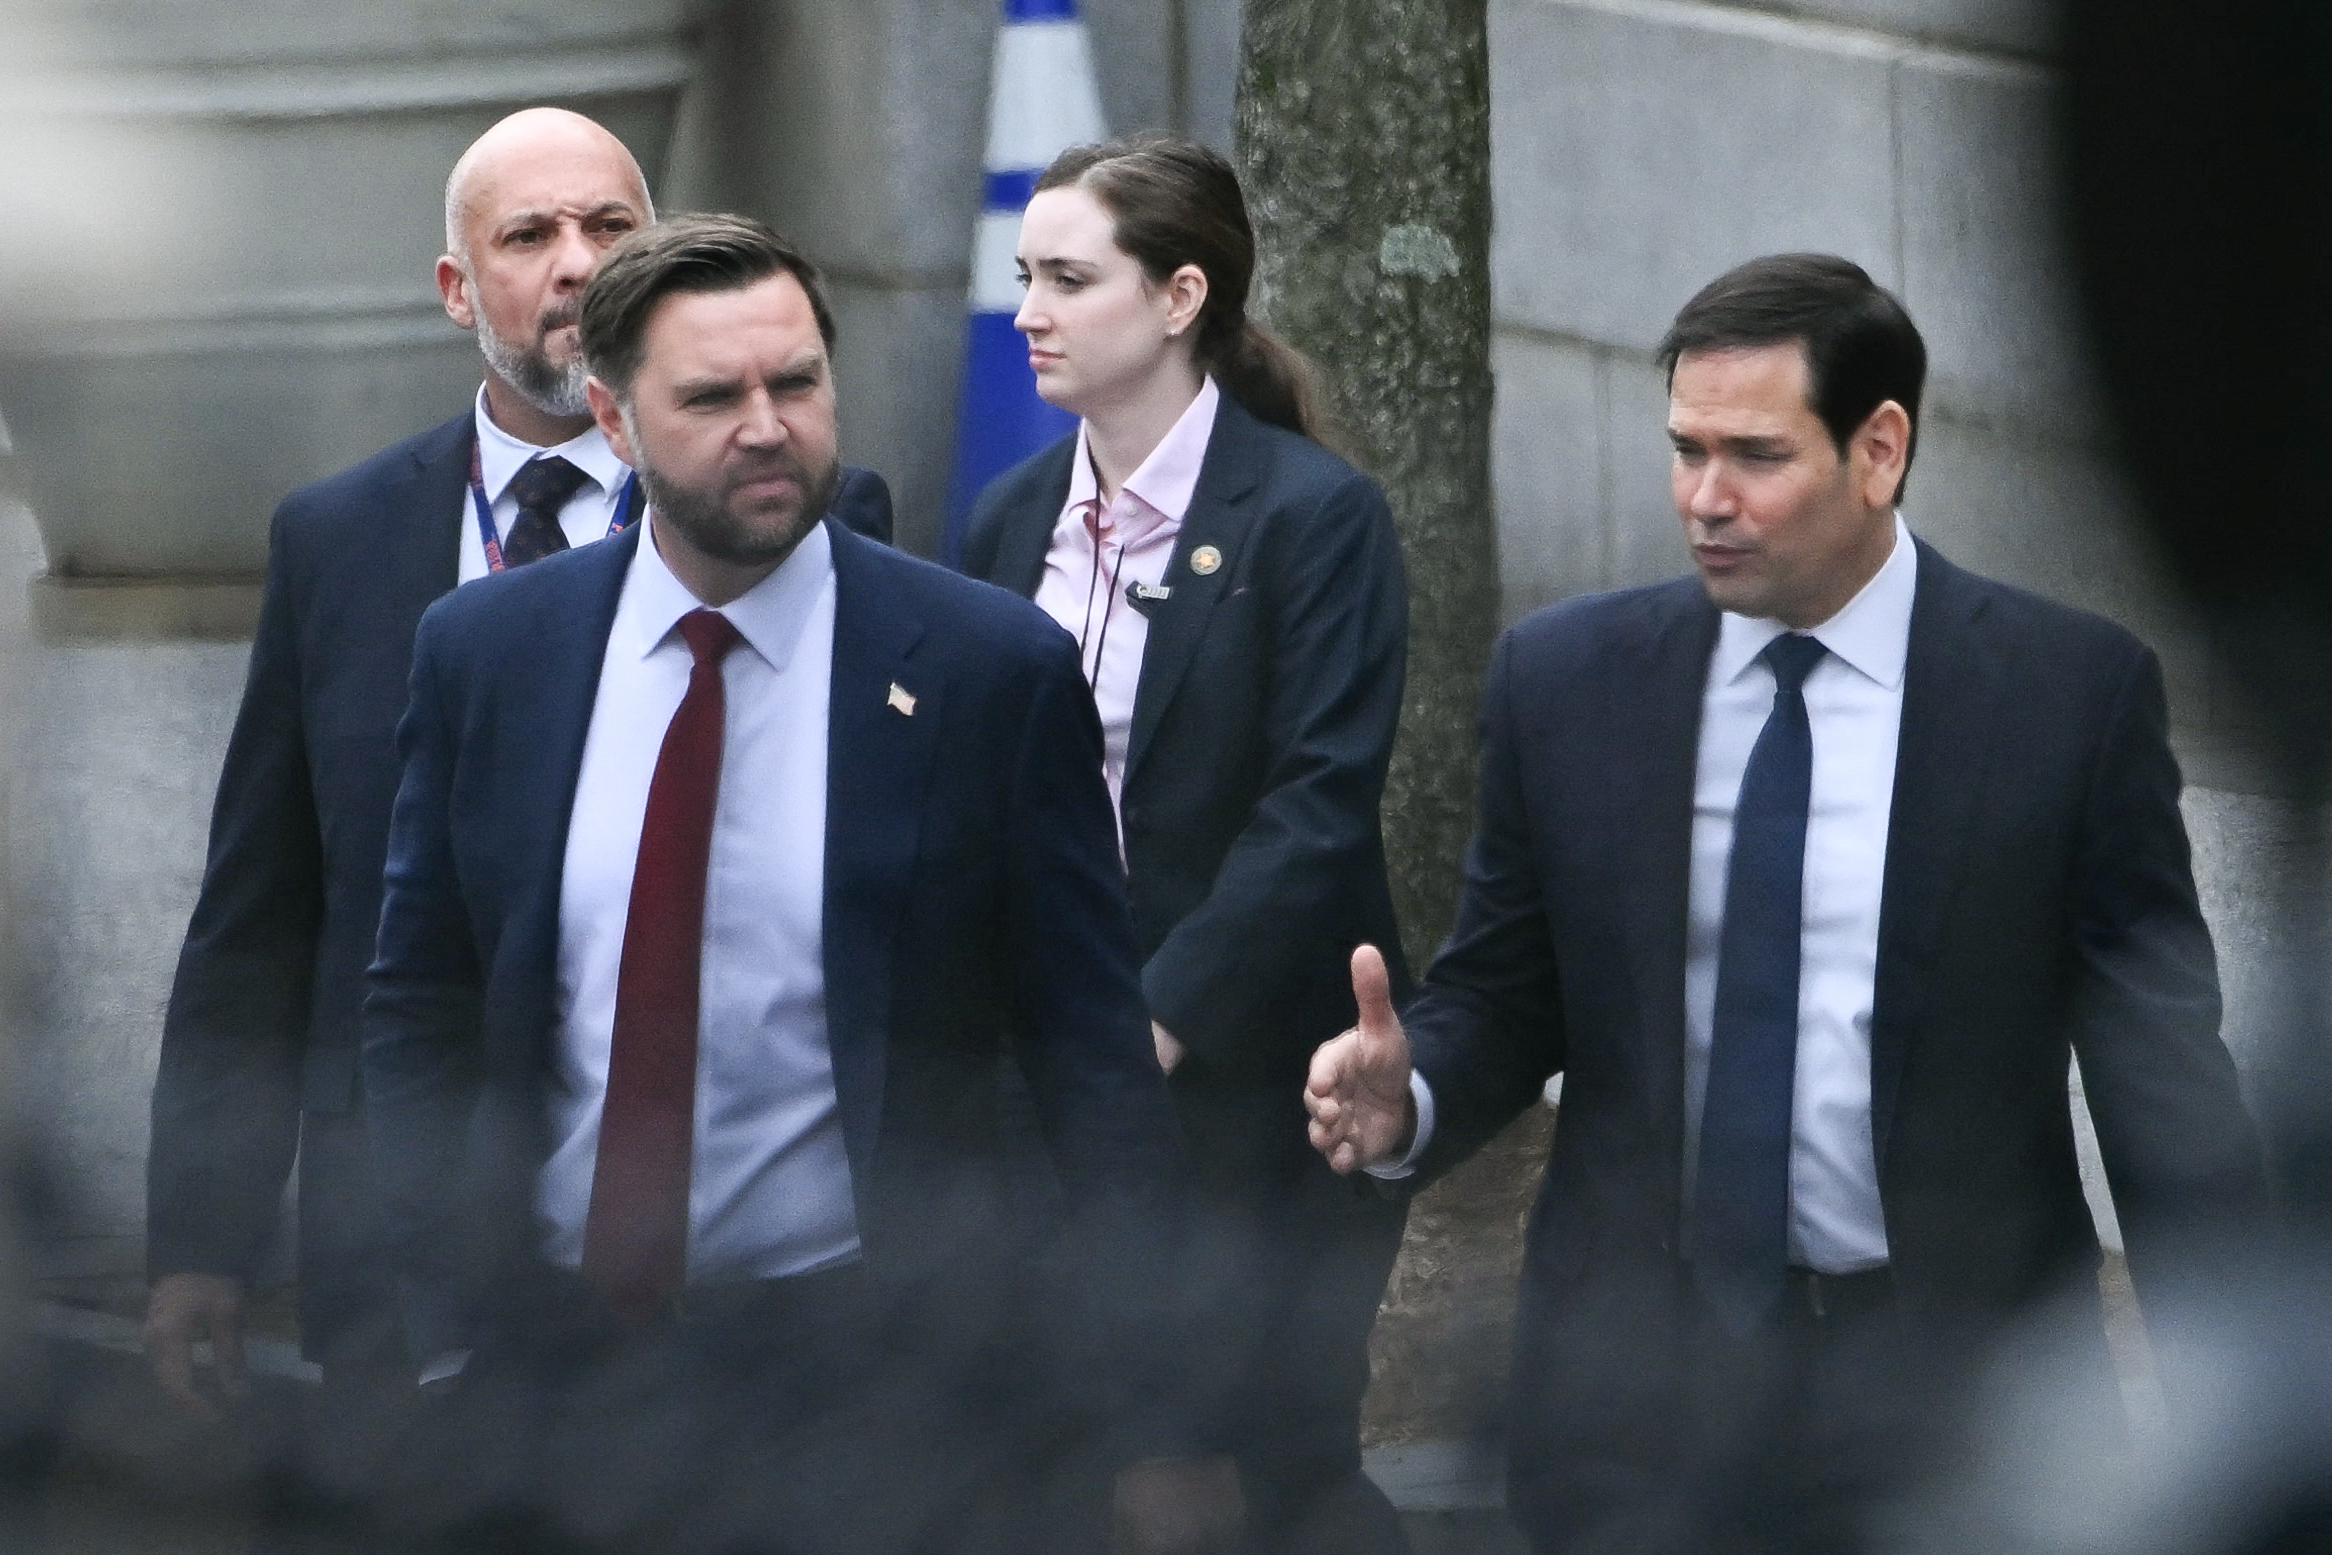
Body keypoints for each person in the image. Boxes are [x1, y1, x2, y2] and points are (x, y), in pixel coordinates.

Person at [1303, 254, 2271, 1554]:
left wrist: (2256, 1406)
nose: (1705, 498)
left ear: (1880, 450)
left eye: (1754, 455)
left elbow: (2166, 1088)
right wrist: (1409, 1093)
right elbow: (1506, 991)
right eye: (1685, 450)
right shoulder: (1571, 682)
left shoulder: (2067, 701)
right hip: (1640, 1400)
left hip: (1959, 1398)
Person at [361, 213, 1224, 1555]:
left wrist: (1162, 1422)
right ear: (614, 414)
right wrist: (443, 1322)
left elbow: (1089, 1062)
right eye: (713, 396)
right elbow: (420, 1001)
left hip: (870, 1385)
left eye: (798, 382)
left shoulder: (984, 673)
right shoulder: (491, 655)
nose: (767, 426)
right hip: (552, 1371)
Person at [142, 108, 892, 1445]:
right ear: (454, 289)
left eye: (612, 227)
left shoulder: (806, 510)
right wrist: (203, 1238)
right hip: (404, 1247)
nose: (577, 264)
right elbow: (263, 907)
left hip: (728, 1246)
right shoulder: (340, 537)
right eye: (529, 234)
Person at [958, 136, 1412, 1554]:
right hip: (1038, 1096)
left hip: (1238, 1093)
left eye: (1068, 278)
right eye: (1027, 274)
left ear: (1178, 296)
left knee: (1241, 1476)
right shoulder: (1008, 518)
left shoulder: (1312, 519)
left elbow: (1318, 805)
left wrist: (1155, 1018)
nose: (1028, 307)